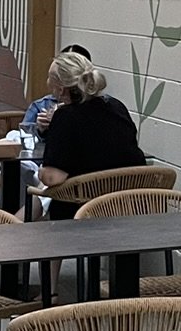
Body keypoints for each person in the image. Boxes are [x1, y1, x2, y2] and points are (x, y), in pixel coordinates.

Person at [35, 51, 145, 219]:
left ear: (61, 89)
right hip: (127, 208)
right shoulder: (117, 107)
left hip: (82, 213)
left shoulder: (65, 117)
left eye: (50, 78)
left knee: (40, 193)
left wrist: (40, 173)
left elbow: (52, 177)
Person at [17, 43, 90, 138]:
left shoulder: (100, 109)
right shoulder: (40, 106)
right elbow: (24, 137)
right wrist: (40, 130)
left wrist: (60, 122)